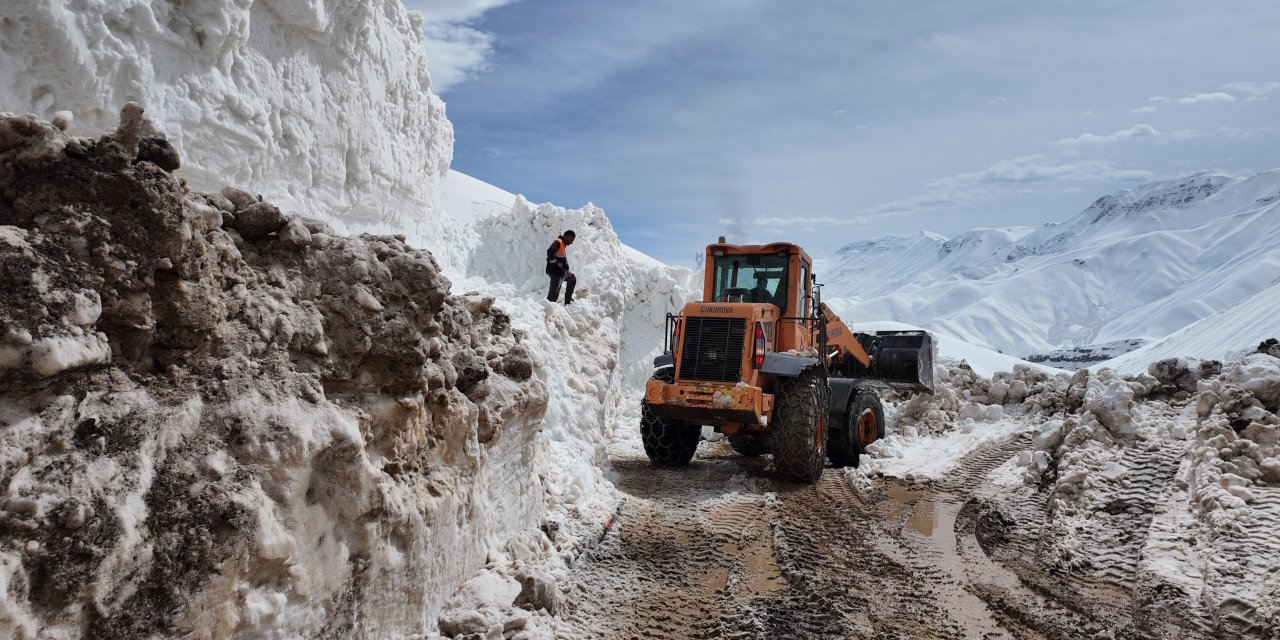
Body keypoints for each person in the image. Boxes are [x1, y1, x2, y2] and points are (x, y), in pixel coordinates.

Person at [546, 230, 576, 304]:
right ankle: (544, 311)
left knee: (572, 279)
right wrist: (555, 264)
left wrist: (566, 269)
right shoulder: (558, 241)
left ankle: (568, 301)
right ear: (567, 236)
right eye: (572, 239)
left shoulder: (562, 244)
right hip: (555, 272)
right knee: (552, 296)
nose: (572, 242)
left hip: (561, 272)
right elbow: (550, 251)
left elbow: (560, 258)